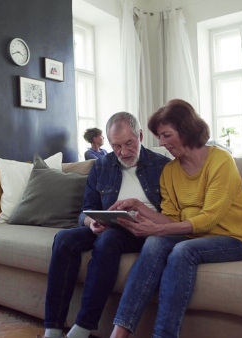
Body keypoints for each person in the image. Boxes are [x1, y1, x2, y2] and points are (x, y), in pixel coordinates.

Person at [109, 99, 242, 338]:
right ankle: (119, 332)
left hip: (234, 239)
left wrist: (156, 230)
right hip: (194, 236)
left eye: (167, 135)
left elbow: (209, 219)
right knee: (155, 243)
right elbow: (171, 219)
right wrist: (139, 207)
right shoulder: (170, 171)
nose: (161, 143)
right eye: (159, 136)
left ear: (187, 130)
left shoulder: (220, 161)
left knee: (182, 251)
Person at [39, 113, 170, 338]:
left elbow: (170, 214)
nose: (124, 152)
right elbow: (85, 210)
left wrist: (145, 217)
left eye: (129, 143)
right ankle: (52, 329)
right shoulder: (101, 166)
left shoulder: (162, 165)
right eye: (116, 146)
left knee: (108, 240)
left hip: (141, 230)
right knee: (64, 239)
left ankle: (82, 327)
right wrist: (92, 222)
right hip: (109, 226)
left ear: (140, 135)